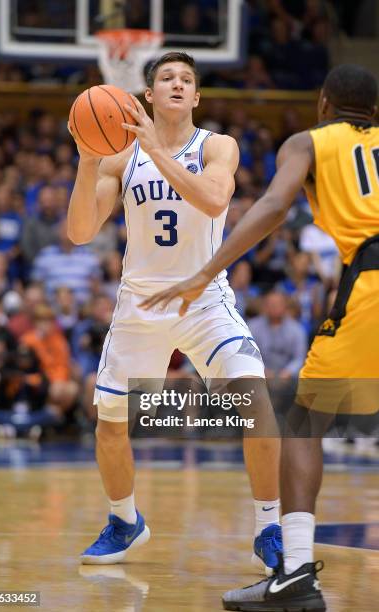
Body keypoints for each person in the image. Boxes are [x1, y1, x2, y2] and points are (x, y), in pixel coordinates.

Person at [141, 63, 379, 611]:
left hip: (370, 278)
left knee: (303, 424)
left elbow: (272, 208)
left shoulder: (309, 141)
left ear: (323, 105)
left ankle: (294, 574)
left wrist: (205, 272)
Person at [68, 52, 281, 570]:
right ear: (149, 95)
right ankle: (124, 521)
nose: (178, 85)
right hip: (140, 301)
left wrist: (155, 150)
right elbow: (78, 232)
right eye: (167, 78)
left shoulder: (217, 146)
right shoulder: (121, 158)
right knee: (110, 424)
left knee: (256, 401)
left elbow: (212, 200)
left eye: (187, 79)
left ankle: (269, 526)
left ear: (197, 96)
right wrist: (87, 157)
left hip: (203, 298)